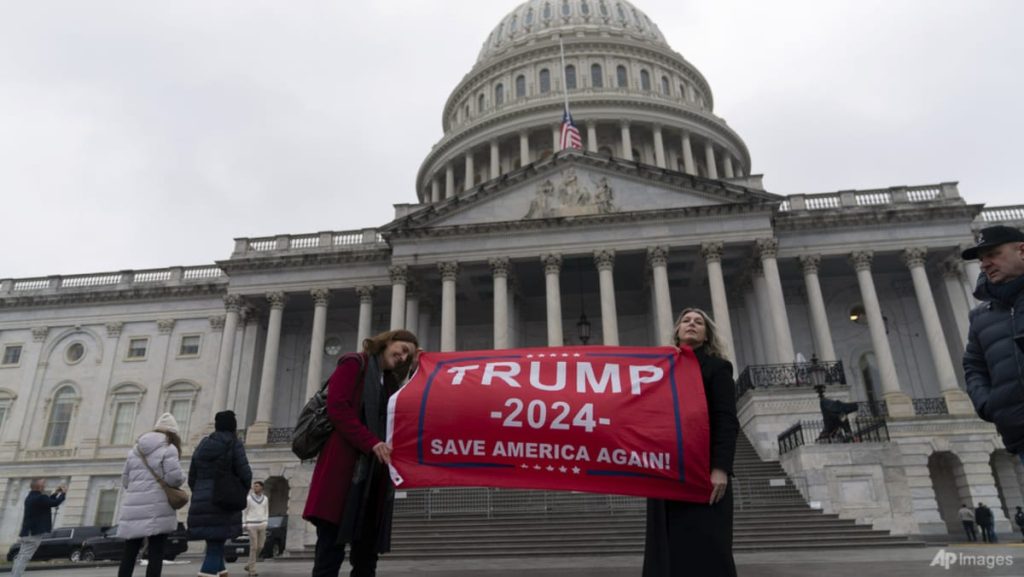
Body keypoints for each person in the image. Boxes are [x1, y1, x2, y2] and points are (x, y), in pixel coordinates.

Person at [303, 329, 418, 577]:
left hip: (373, 478)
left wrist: (421, 366)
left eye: (408, 355)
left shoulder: (388, 381)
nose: (402, 357)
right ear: (387, 342)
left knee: (366, 558)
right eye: (402, 349)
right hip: (343, 470)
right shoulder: (353, 363)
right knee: (329, 554)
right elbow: (337, 408)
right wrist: (371, 442)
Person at [644, 308, 739, 577]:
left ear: (707, 334)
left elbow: (726, 419)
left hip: (703, 471)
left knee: (707, 547)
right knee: (666, 548)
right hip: (667, 469)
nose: (692, 324)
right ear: (677, 331)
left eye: (699, 322)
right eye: (686, 321)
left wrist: (720, 467)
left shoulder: (717, 368)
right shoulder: (663, 368)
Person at [961, 225, 1024, 466]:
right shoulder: (981, 316)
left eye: (993, 254)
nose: (984, 264)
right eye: (981, 258)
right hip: (1019, 434)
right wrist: (989, 404)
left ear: (1022, 251)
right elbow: (974, 367)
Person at [116, 413, 186, 577]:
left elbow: (125, 480)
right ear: (173, 432)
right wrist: (183, 476)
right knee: (156, 551)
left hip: (134, 506)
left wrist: (137, 490)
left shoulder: (135, 450)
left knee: (130, 551)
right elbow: (174, 479)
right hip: (158, 506)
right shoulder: (169, 448)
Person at [188, 410, 252, 577]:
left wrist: (201, 492)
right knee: (215, 547)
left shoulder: (203, 444)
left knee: (215, 543)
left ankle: (222, 573)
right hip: (223, 500)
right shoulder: (233, 443)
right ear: (233, 426)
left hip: (202, 499)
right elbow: (246, 474)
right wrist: (239, 492)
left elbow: (192, 476)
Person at [11, 479, 66, 577]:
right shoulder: (40, 498)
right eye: (44, 484)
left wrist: (56, 493)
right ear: (39, 487)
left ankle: (14, 575)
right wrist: (63, 493)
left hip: (27, 532)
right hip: (34, 533)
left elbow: (47, 502)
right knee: (24, 557)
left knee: (21, 556)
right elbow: (55, 503)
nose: (45, 485)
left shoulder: (30, 497)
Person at [243, 481, 270, 577]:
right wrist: (244, 523)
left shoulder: (265, 499)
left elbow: (266, 511)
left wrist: (266, 521)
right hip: (251, 525)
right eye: (254, 486)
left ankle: (248, 565)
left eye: (257, 486)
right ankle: (252, 571)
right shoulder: (249, 498)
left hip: (262, 524)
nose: (255, 488)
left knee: (261, 546)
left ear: (262, 488)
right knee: (253, 547)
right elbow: (245, 511)